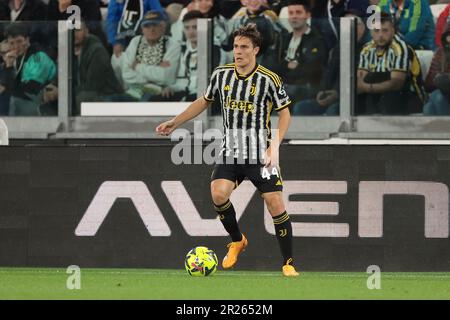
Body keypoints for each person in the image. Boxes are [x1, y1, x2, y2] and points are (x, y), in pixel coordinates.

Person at [156, 24, 299, 277]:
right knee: (218, 194)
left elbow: (285, 113)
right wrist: (175, 121)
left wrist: (274, 145)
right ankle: (237, 240)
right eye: (235, 47)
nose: (238, 52)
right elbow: (203, 101)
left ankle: (288, 262)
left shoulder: (269, 79)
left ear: (255, 49)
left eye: (244, 47)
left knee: (274, 203)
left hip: (260, 154)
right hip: (231, 151)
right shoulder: (221, 75)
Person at [357, 13, 426, 115]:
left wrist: (367, 87)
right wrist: (363, 86)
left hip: (409, 96)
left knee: (379, 79)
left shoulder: (401, 47)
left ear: (393, 31)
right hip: (378, 93)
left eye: (385, 30)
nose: (380, 35)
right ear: (371, 32)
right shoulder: (367, 48)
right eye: (376, 31)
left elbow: (397, 84)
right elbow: (360, 79)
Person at [151, 10, 220, 102]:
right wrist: (169, 87)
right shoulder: (180, 50)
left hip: (205, 95)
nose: (191, 32)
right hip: (185, 92)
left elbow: (214, 83)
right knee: (154, 99)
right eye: (187, 28)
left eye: (195, 27)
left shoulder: (214, 50)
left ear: (205, 28)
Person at [120, 10, 180, 100]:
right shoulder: (135, 41)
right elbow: (126, 74)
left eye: (155, 25)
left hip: (158, 93)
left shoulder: (172, 45)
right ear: (142, 29)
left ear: (163, 27)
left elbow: (167, 77)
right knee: (110, 101)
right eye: (147, 26)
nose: (151, 29)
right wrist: (153, 76)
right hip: (133, 91)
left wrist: (137, 67)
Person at [277, 0, 328, 105]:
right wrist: (288, 65)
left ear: (307, 15)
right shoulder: (283, 38)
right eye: (291, 13)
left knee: (282, 94)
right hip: (283, 85)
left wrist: (285, 68)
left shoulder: (317, 39)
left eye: (298, 12)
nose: (294, 16)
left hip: (306, 87)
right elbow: (272, 64)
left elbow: (312, 69)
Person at [2, 23, 57, 116]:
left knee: (17, 99)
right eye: (12, 43)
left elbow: (29, 91)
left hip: (45, 107)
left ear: (27, 40)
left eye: (19, 41)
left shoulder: (38, 57)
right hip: (25, 104)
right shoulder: (14, 58)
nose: (16, 46)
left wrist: (9, 68)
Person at [423, 30, 450, 115]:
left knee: (437, 98)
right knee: (428, 108)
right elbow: (428, 85)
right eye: (447, 44)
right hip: (442, 92)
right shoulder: (440, 53)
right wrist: (438, 79)